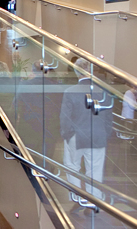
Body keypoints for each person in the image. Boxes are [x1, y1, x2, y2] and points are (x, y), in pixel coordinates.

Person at [60, 58, 113, 209]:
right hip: (97, 135)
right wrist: (105, 133)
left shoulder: (70, 92)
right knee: (95, 169)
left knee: (72, 165)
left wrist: (67, 135)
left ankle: (77, 197)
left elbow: (65, 117)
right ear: (91, 71)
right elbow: (109, 116)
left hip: (76, 136)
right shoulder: (103, 91)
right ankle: (93, 199)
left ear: (76, 72)